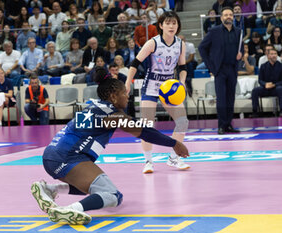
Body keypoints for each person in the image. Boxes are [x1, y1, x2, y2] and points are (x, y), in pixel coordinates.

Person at [30, 66, 189, 225]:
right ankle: (71, 209)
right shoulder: (112, 115)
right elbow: (144, 132)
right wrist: (174, 143)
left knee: (95, 188)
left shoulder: (96, 106)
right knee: (112, 195)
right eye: (124, 94)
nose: (127, 97)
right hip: (67, 158)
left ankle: (49, 189)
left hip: (52, 156)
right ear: (113, 96)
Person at [125, 11, 190, 173]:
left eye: (174, 23)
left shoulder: (180, 44)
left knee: (183, 122)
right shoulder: (153, 43)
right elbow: (134, 63)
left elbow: (182, 67)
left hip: (169, 88)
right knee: (147, 125)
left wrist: (182, 82)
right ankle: (148, 161)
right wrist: (127, 82)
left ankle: (174, 159)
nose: (171, 26)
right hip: (151, 86)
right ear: (161, 26)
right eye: (168, 23)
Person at [199, 7, 243, 135]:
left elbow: (241, 49)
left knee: (230, 99)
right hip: (219, 70)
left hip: (232, 69)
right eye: (226, 15)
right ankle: (221, 126)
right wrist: (211, 67)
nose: (228, 17)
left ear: (233, 16)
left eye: (230, 14)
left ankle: (228, 125)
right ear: (221, 17)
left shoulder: (238, 31)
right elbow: (202, 48)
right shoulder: (214, 31)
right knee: (222, 99)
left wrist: (241, 55)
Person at [251, 48, 282, 117]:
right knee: (255, 91)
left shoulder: (280, 66)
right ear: (268, 56)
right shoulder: (263, 66)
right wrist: (265, 84)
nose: (274, 56)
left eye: (275, 54)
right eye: (272, 54)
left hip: (276, 88)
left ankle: (281, 111)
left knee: (280, 89)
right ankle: (255, 112)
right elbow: (260, 80)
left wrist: (274, 85)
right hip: (265, 88)